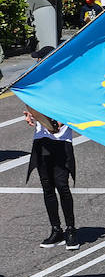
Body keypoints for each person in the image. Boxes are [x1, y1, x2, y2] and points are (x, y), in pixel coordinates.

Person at [23, 105, 78, 250]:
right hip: (41, 141)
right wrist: (30, 113)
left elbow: (76, 107)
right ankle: (56, 230)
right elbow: (32, 102)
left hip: (62, 142)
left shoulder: (65, 90)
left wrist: (63, 120)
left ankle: (71, 229)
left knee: (62, 186)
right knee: (47, 188)